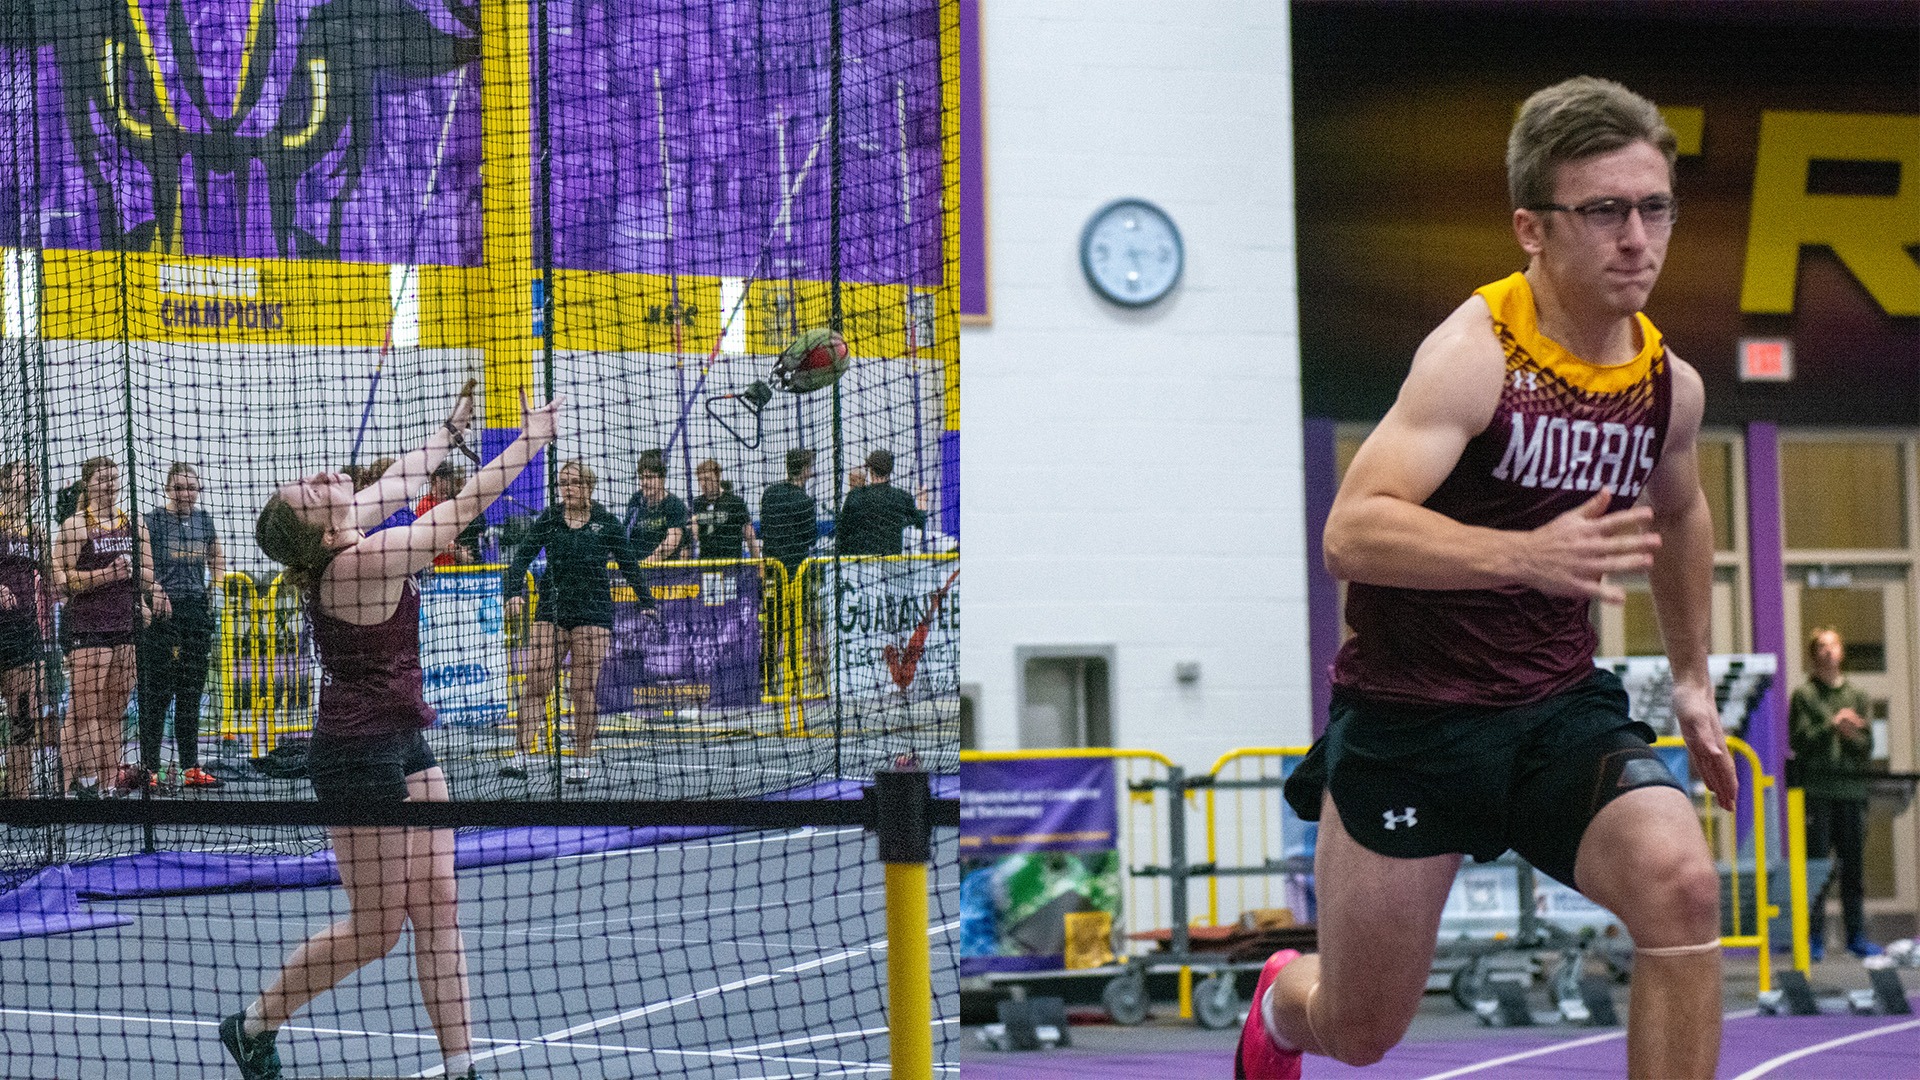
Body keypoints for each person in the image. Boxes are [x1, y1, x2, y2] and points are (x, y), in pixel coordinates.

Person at [1238, 77, 1734, 1080]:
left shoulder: (1665, 388)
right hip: (1414, 725)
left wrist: (1690, 678)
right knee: (1363, 1029)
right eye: (1603, 211)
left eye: (1654, 208)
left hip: (1557, 712)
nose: (1637, 237)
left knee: (1683, 884)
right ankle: (1282, 1003)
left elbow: (1680, 512)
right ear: (1532, 229)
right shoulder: (1474, 359)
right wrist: (1522, 554)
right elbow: (1354, 530)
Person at [223, 386, 557, 1080]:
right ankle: (253, 1025)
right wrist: (529, 444)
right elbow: (457, 515)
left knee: (439, 903)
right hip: (353, 758)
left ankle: (461, 1067)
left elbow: (405, 478)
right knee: (378, 933)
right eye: (312, 490)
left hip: (403, 736)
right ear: (322, 529)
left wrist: (446, 430)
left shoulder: (346, 533)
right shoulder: (352, 565)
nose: (322, 476)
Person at [499, 461, 652, 786]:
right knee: (536, 682)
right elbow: (520, 559)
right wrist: (513, 593)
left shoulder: (605, 522)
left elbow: (628, 563)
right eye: (562, 483)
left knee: (581, 690)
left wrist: (647, 601)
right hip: (552, 609)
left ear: (588, 487)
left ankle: (581, 759)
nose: (567, 489)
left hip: (593, 612)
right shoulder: (551, 519)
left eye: (573, 483)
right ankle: (521, 755)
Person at [55, 457, 168, 798]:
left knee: (113, 712)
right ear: (88, 484)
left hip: (126, 624)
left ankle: (107, 786)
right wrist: (105, 574)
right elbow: (60, 579)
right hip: (88, 626)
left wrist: (137, 575)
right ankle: (73, 786)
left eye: (114, 478)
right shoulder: (75, 525)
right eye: (103, 479)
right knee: (83, 711)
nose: (110, 484)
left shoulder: (135, 525)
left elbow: (149, 574)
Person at [1789, 627, 1880, 961]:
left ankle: (1856, 935)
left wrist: (1851, 732)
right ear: (1813, 655)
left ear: (1841, 651)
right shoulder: (1804, 695)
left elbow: (1867, 745)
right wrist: (1832, 724)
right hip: (1818, 790)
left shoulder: (1857, 695)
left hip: (1852, 790)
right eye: (1821, 647)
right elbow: (1799, 741)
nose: (1828, 652)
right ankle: (1814, 938)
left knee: (1852, 867)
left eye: (1833, 645)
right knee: (1817, 868)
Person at [136, 463, 225, 789]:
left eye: (192, 488)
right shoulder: (153, 520)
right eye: (180, 488)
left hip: (196, 611)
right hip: (162, 612)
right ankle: (150, 770)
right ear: (167, 489)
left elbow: (216, 556)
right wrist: (153, 591)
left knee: (191, 691)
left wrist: (217, 587)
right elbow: (142, 566)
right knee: (156, 693)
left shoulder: (204, 521)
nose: (186, 494)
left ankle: (190, 768)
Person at [1, 460, 58, 799]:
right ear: (6, 480)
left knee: (24, 717)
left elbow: (52, 581)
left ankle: (20, 793)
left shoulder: (33, 529)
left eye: (35, 473)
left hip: (23, 631)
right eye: (25, 472)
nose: (33, 476)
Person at [835, 449, 929, 556]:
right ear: (890, 470)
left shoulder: (856, 495)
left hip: (859, 565)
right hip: (892, 564)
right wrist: (922, 501)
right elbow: (920, 521)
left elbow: (842, 534)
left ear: (870, 470)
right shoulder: (901, 497)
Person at [623, 451, 689, 562]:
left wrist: (647, 562)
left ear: (662, 479)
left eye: (650, 477)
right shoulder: (636, 501)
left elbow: (672, 542)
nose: (645, 482)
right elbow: (625, 535)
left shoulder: (674, 504)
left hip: (666, 572)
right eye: (642, 478)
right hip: (636, 570)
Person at [412, 461, 481, 565]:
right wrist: (457, 553)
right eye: (444, 478)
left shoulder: (449, 503)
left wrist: (458, 550)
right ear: (435, 479)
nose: (448, 483)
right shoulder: (425, 506)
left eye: (449, 478)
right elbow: (429, 540)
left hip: (450, 567)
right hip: (434, 568)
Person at [691, 459, 759, 560]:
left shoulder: (734, 502)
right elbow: (693, 537)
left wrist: (758, 563)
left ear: (718, 477)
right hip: (706, 564)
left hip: (731, 564)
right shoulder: (697, 504)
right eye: (700, 480)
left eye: (707, 479)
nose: (703, 483)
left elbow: (749, 535)